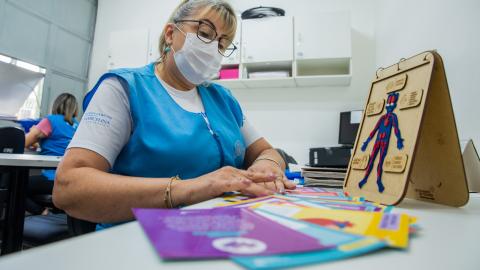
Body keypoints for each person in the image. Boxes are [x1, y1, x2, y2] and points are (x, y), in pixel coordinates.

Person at [53, 0, 296, 229]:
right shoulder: (126, 88)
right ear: (171, 34)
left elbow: (267, 151)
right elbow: (70, 187)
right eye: (205, 33)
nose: (213, 48)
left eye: (221, 44)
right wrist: (188, 189)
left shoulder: (222, 99)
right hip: (138, 238)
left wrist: (267, 165)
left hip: (218, 231)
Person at [24, 93, 79, 215]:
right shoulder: (77, 125)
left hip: (52, 177)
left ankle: (41, 212)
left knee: (14, 186)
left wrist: (33, 131)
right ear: (74, 108)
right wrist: (39, 144)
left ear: (56, 105)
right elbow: (59, 143)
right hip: (71, 178)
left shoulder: (50, 120)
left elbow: (25, 141)